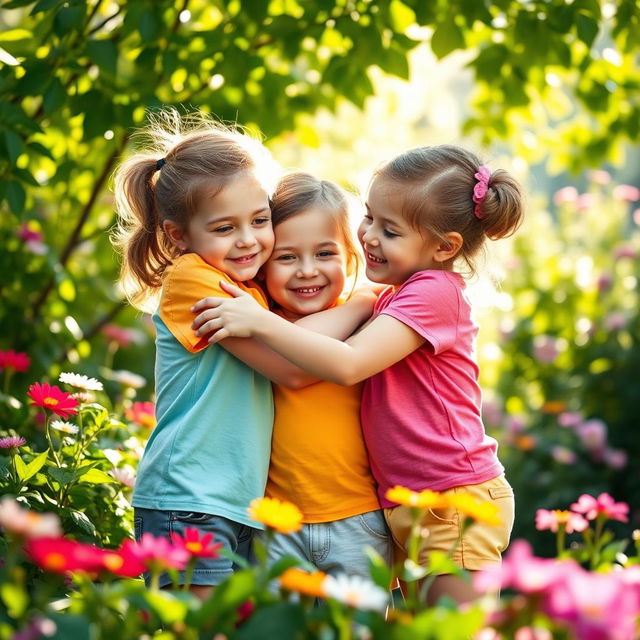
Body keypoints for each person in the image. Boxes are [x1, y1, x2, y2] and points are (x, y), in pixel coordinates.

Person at [191, 145, 523, 604]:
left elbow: (348, 364)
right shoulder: (395, 295)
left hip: (453, 498)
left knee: (453, 631)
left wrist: (262, 322)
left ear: (444, 246)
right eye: (369, 217)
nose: (368, 236)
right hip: (410, 502)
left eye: (390, 230)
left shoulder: (435, 293)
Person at [111, 110, 375, 598]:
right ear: (178, 235)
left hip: (237, 502)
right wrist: (363, 302)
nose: (249, 239)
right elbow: (291, 369)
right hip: (189, 495)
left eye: (259, 220)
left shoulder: (247, 289)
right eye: (225, 227)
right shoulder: (193, 280)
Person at [259, 172, 391, 577]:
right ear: (263, 265)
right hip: (277, 524)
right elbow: (297, 350)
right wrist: (357, 305)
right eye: (286, 256)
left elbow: (302, 350)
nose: (306, 270)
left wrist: (362, 303)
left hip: (360, 517)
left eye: (324, 253)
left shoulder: (374, 321)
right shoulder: (263, 324)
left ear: (351, 259)